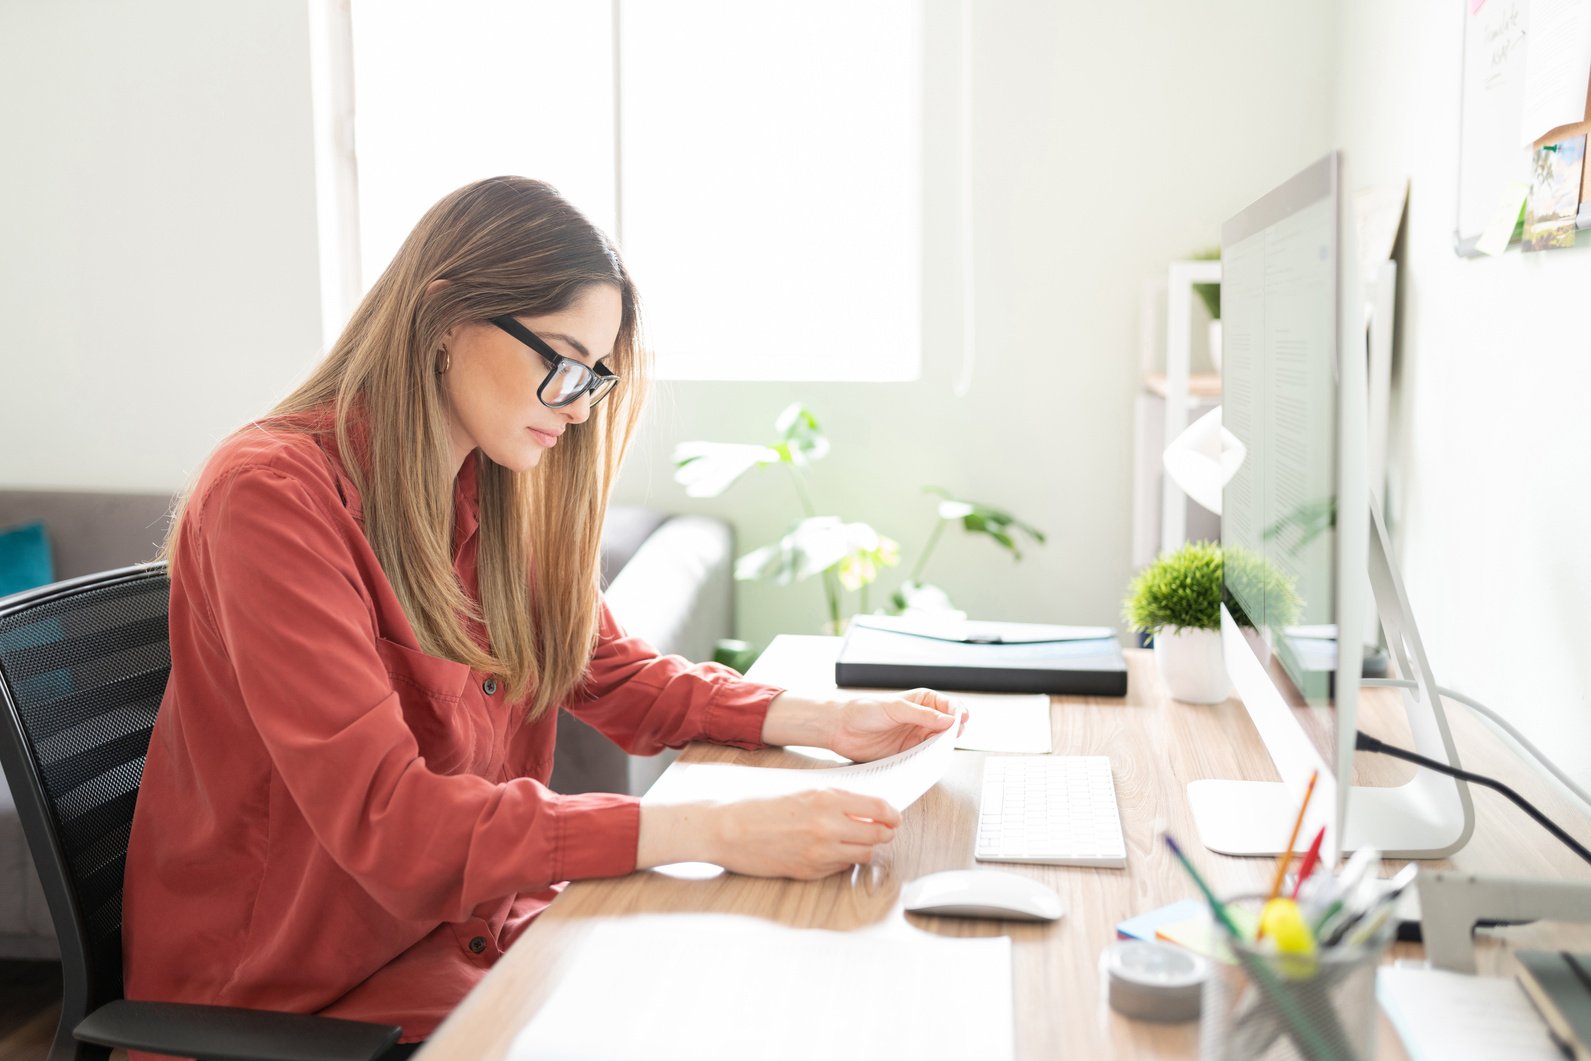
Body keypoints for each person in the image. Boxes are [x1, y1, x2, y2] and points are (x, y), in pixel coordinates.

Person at [121, 176, 957, 1054]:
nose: (581, 402)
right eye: (561, 360)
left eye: (594, 375)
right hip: (295, 1006)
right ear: (445, 316)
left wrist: (830, 718)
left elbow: (614, 673)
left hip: (468, 944)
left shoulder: (488, 488)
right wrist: (716, 829)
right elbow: (389, 822)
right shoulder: (273, 496)